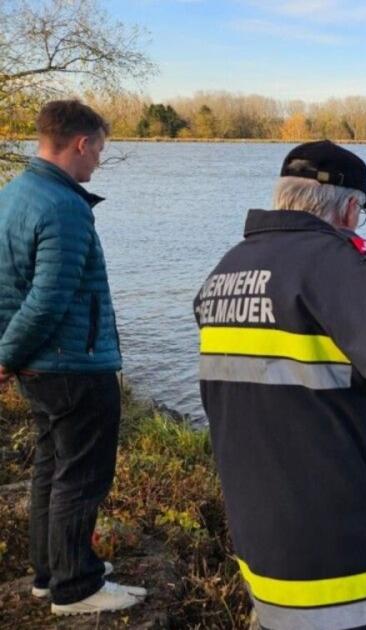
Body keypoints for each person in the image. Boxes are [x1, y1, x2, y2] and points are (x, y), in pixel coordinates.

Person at [194, 140, 366, 630]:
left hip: (264, 551)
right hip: (354, 567)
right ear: (351, 208)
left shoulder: (224, 271)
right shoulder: (337, 265)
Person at [0, 100, 147, 615]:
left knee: (51, 466)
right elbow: (47, 297)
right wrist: (5, 356)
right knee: (83, 474)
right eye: (100, 150)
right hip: (71, 364)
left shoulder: (14, 193)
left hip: (42, 367)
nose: (99, 162)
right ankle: (76, 587)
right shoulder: (64, 206)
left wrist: (12, 356)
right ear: (81, 143)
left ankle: (51, 571)